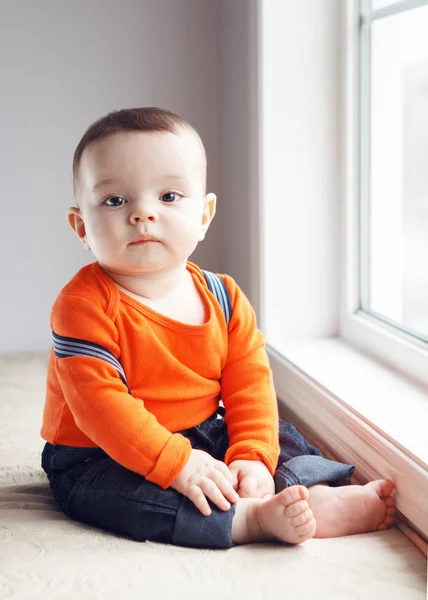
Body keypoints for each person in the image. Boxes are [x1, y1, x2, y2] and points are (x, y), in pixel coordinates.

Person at [40, 107, 395, 549]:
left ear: (204, 215)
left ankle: (306, 493)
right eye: (116, 200)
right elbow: (101, 408)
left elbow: (250, 385)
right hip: (99, 450)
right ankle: (249, 519)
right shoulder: (83, 305)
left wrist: (251, 456)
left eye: (168, 197)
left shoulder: (223, 297)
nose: (142, 214)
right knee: (115, 496)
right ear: (81, 227)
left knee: (275, 436)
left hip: (203, 430)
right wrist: (179, 465)